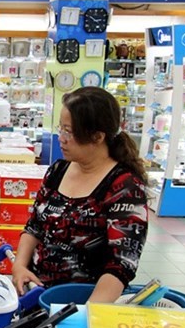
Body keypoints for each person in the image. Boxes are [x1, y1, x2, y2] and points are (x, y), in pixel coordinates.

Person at [11, 87, 148, 303]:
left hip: (85, 301)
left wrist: (86, 316)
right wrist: (19, 265)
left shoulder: (124, 187)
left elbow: (121, 263)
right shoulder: (59, 170)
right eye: (60, 129)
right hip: (37, 294)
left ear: (97, 136)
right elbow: (34, 226)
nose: (61, 138)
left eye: (69, 132)